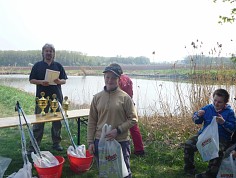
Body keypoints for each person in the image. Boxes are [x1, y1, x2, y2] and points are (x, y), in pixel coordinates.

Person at [87, 65, 138, 178]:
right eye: (107, 77)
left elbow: (133, 119)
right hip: (100, 141)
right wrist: (90, 142)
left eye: (114, 78)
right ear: (104, 77)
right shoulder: (97, 98)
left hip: (120, 141)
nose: (110, 80)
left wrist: (118, 130)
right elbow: (92, 121)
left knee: (123, 173)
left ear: (119, 79)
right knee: (105, 172)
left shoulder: (125, 98)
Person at [183, 89, 236, 178]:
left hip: (221, 138)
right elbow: (196, 120)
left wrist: (223, 122)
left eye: (220, 102)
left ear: (225, 103)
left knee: (217, 150)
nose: (216, 104)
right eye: (215, 100)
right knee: (188, 144)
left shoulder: (230, 112)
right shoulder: (208, 108)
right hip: (204, 135)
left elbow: (233, 129)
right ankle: (189, 169)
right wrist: (198, 115)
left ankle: (210, 174)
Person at [28, 43, 68, 154]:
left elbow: (64, 80)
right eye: (47, 51)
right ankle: (34, 145)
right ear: (43, 53)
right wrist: (41, 82)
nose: (49, 53)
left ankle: (56, 143)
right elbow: (31, 80)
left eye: (51, 51)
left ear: (53, 53)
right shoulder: (37, 65)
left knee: (57, 122)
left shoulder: (58, 66)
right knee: (38, 122)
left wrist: (59, 82)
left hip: (56, 99)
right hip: (42, 99)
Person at [109, 63, 145, 156]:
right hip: (130, 103)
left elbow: (114, 94)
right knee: (134, 128)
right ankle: (139, 150)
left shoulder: (117, 81)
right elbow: (131, 93)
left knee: (115, 126)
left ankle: (115, 148)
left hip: (120, 105)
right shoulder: (128, 78)